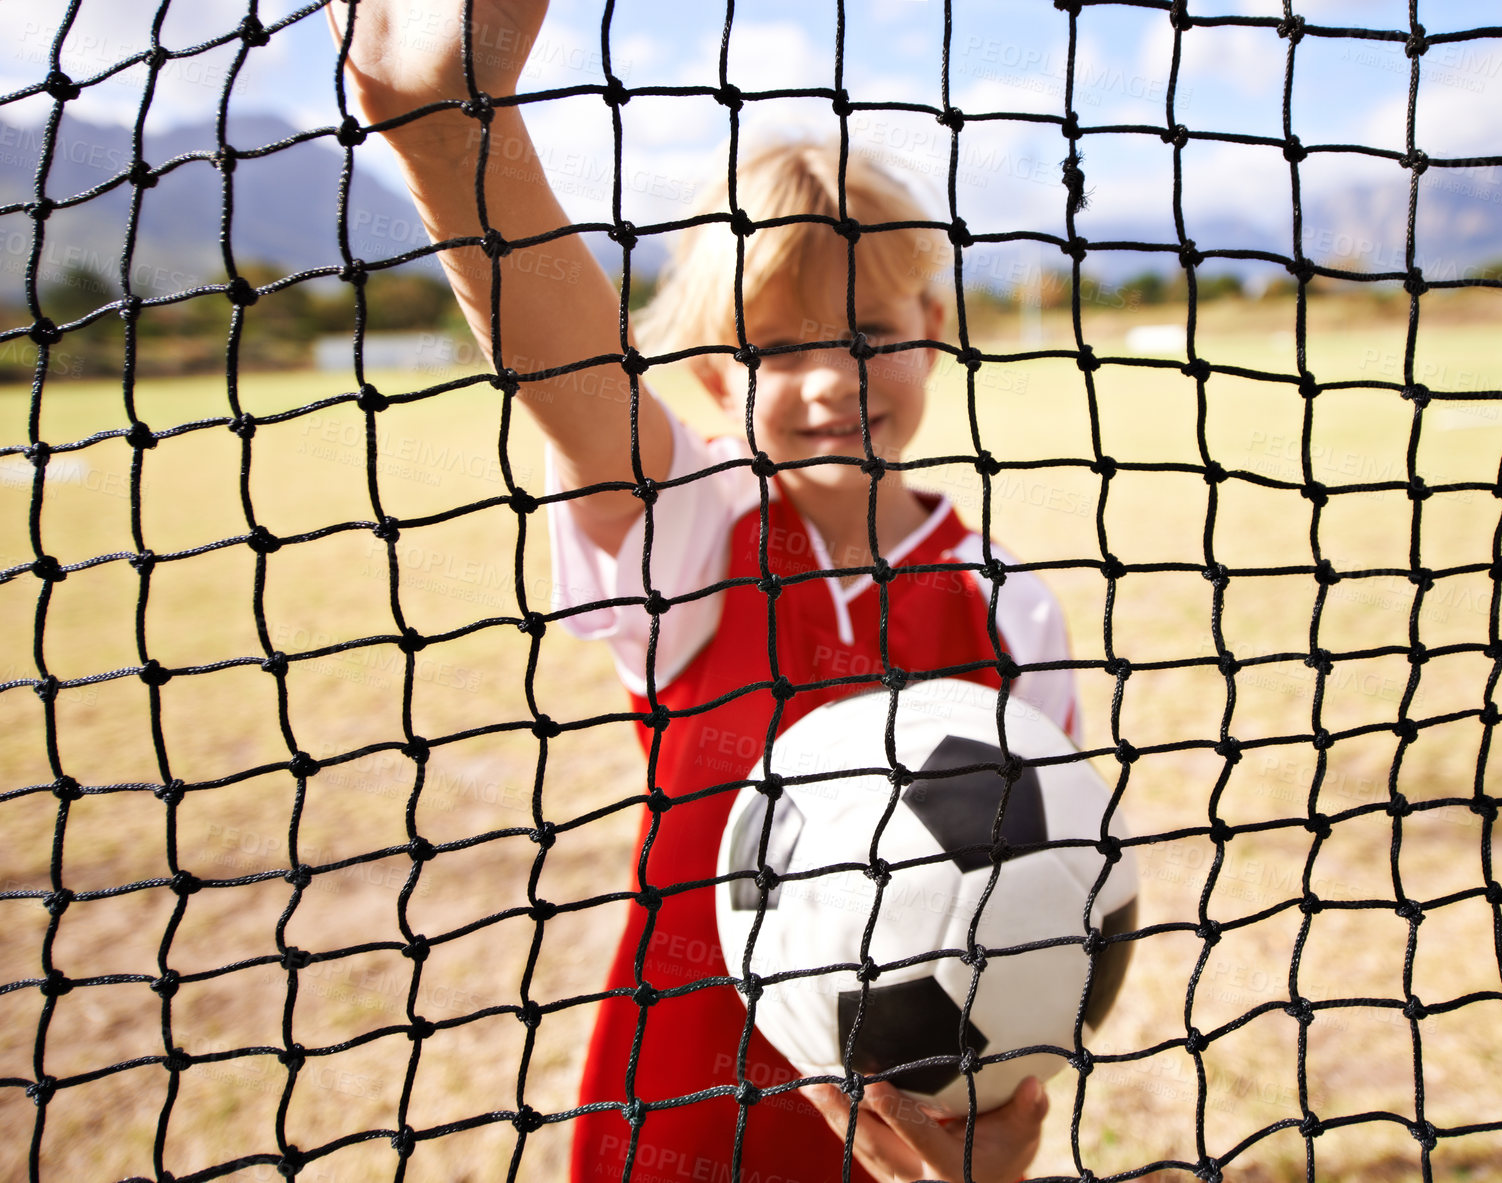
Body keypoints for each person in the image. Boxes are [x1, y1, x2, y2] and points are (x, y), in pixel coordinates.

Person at [331, 2, 1080, 1179]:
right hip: (675, 1113)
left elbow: (1047, 891)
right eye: (779, 346)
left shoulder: (1006, 602)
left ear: (931, 328)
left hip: (902, 1134)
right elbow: (569, 370)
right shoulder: (690, 528)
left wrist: (992, 1131)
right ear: (711, 375)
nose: (833, 378)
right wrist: (449, 137)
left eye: (869, 329)